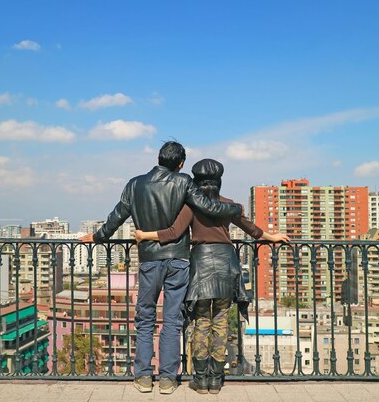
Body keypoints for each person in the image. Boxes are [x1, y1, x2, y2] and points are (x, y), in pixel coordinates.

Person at [80, 142, 242, 395]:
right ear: (180, 164)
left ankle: (143, 377)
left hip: (149, 260)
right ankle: (168, 379)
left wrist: (98, 237)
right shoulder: (183, 181)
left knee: (144, 319)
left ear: (158, 158)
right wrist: (236, 209)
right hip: (178, 260)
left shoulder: (135, 184)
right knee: (172, 321)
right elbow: (209, 207)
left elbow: (117, 215)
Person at [135, 158, 289, 394]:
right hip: (227, 265)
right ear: (219, 181)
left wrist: (145, 235)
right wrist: (272, 237)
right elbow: (252, 230)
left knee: (201, 324)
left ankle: (200, 378)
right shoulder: (229, 205)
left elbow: (174, 232)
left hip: (201, 267)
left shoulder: (191, 206)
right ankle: (216, 379)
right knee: (221, 323)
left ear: (196, 181)